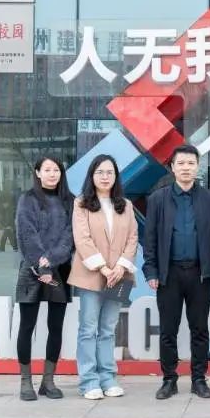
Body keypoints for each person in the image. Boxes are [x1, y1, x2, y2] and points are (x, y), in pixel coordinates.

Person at [142, 144, 210, 400]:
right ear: (172, 167)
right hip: (169, 273)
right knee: (168, 330)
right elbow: (150, 238)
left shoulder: (208, 198)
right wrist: (151, 271)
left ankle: (199, 379)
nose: (186, 168)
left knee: (200, 329)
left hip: (199, 273)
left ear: (197, 167)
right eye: (181, 163)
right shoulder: (158, 199)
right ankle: (169, 379)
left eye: (191, 163)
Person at [68, 154, 139, 400]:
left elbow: (132, 238)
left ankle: (108, 378)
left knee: (108, 329)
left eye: (110, 172)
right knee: (88, 329)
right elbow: (82, 239)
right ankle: (89, 381)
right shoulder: (81, 204)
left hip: (119, 276)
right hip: (91, 276)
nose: (105, 177)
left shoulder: (125, 205)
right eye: (100, 172)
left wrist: (120, 267)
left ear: (116, 176)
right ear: (92, 176)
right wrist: (104, 268)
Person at [14, 156, 74, 401]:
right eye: (47, 169)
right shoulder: (27, 199)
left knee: (55, 327)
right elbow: (25, 233)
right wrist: (41, 261)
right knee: (26, 326)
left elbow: (70, 236)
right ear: (38, 173)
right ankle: (25, 381)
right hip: (31, 270)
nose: (52, 173)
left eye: (56, 169)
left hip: (60, 269)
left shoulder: (70, 201)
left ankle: (48, 381)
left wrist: (52, 259)